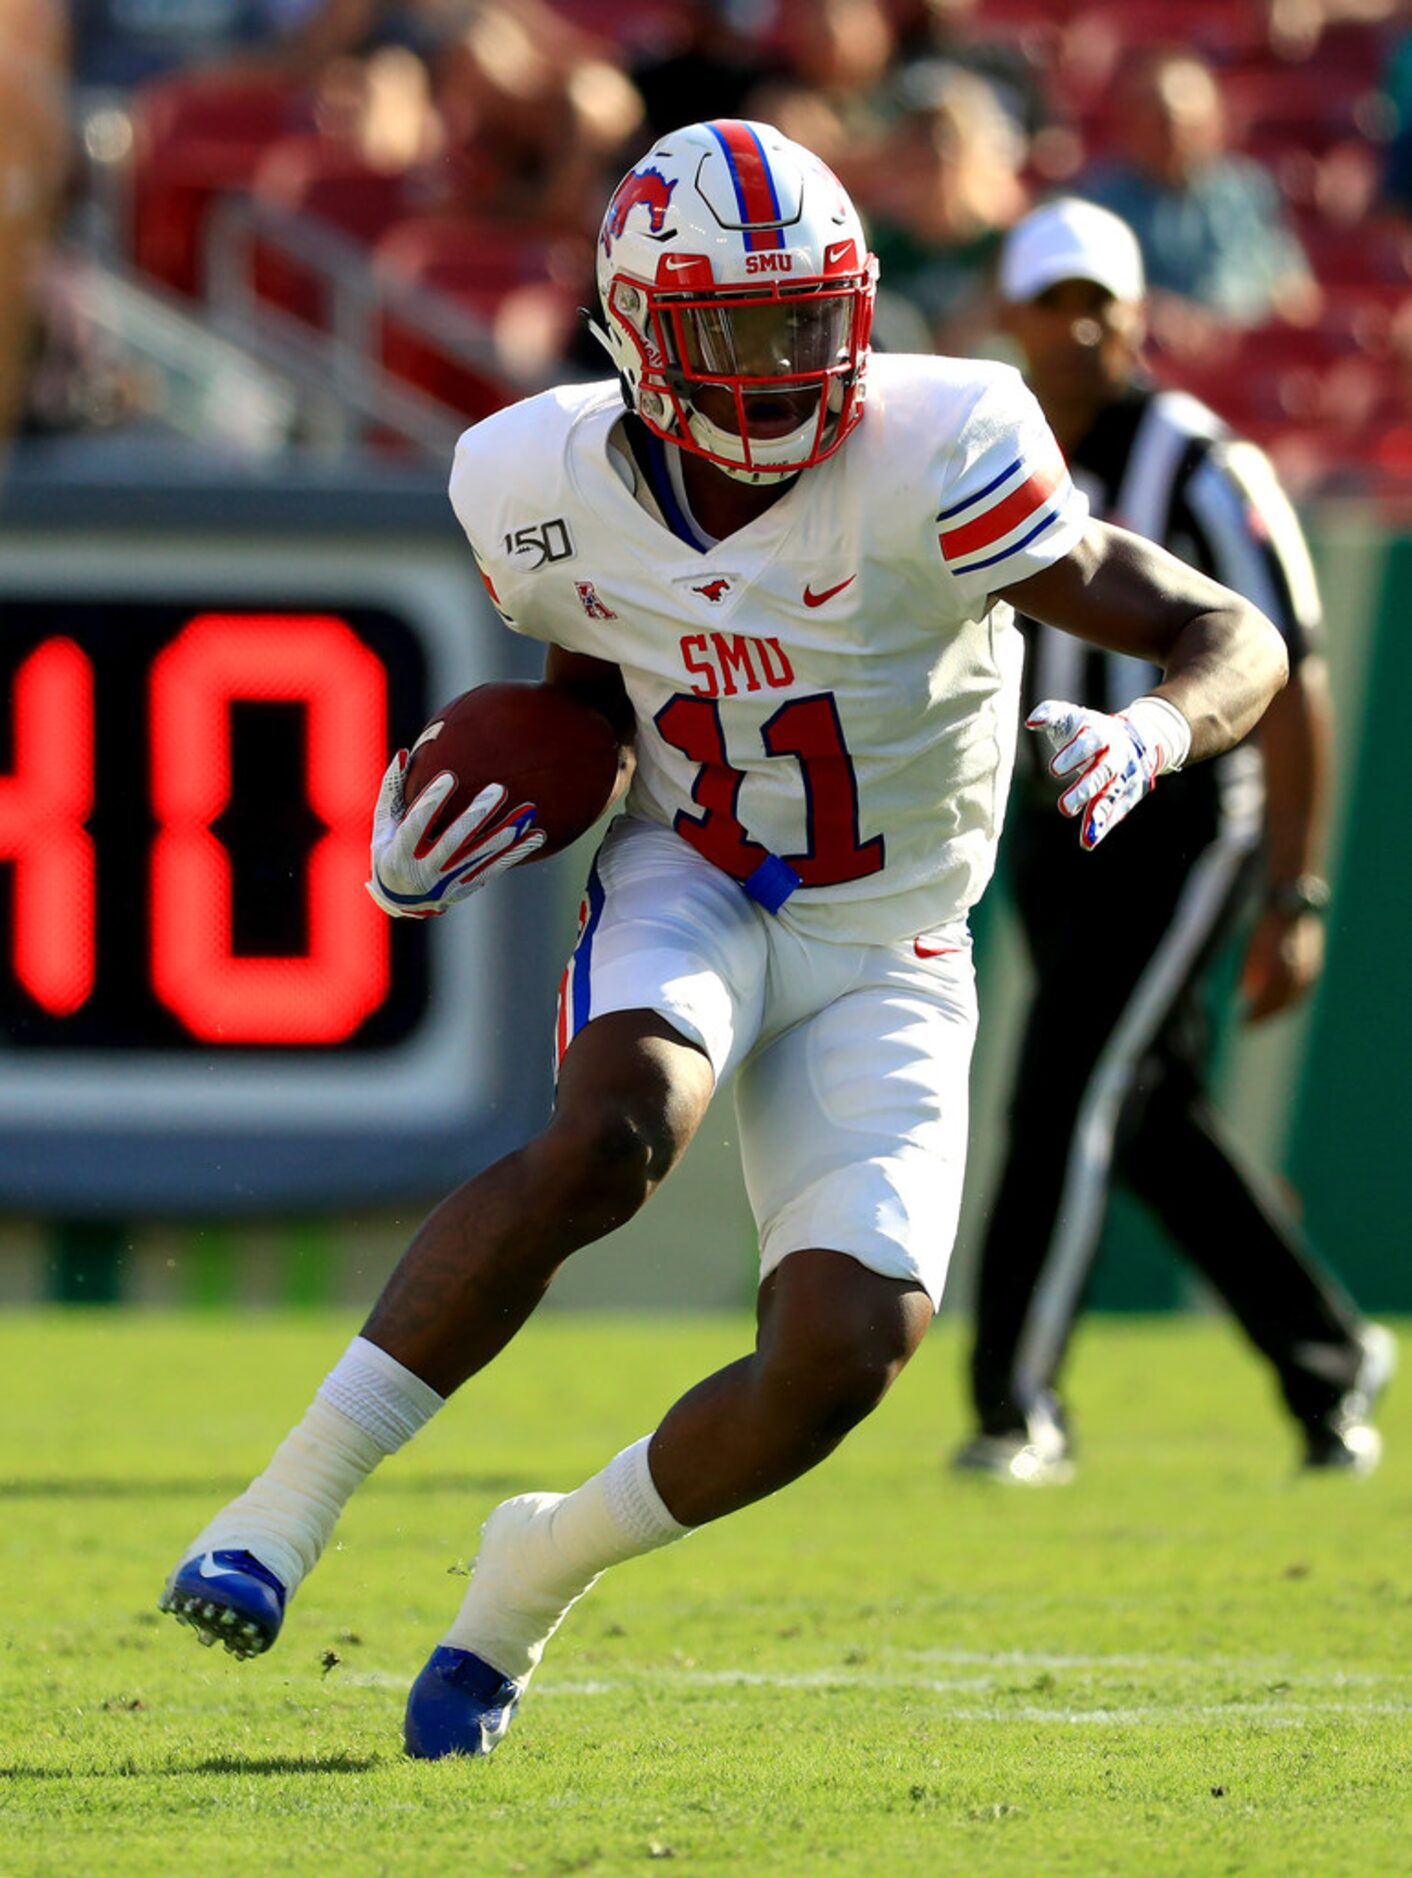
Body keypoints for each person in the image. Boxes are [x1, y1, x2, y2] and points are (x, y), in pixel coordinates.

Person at [159, 122, 1288, 1759]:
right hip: (696, 867)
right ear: (633, 328)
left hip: (897, 934)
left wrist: (1164, 732)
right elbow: (582, 711)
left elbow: (1220, 625)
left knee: (844, 1355)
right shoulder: (533, 479)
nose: (775, 367)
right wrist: (455, 835)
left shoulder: (943, 440)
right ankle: (278, 1506)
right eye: (731, 327)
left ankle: (532, 1565)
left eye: (802, 320)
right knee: (613, 1128)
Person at [954, 197, 1394, 1488]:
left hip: (1184, 815)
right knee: (1147, 1117)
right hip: (1050, 818)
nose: (1079, 324)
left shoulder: (1205, 462)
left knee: (1064, 1091)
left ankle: (1015, 1401)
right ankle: (1329, 1352)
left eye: (1100, 299)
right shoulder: (992, 451)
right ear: (1015, 316)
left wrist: (1294, 891)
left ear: (1138, 313)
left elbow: (1290, 673)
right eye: (1053, 300)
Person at [1078, 49, 1319, 339]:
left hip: (1239, 349)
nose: (1180, 139)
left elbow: (1293, 286)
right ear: (1133, 123)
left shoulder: (1248, 189)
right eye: (1164, 125)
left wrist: (1243, 312)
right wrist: (1154, 311)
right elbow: (1089, 295)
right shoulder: (1101, 202)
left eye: (1194, 126)